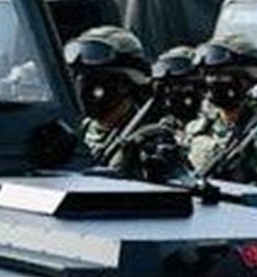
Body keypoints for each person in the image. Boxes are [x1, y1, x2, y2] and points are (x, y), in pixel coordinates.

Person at [66, 26, 188, 182]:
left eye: (96, 78)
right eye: (78, 76)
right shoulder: (76, 130)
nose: (82, 86)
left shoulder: (150, 138)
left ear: (126, 84)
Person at [184, 36, 257, 188]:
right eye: (209, 75)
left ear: (244, 81)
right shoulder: (200, 128)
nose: (212, 81)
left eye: (221, 76)